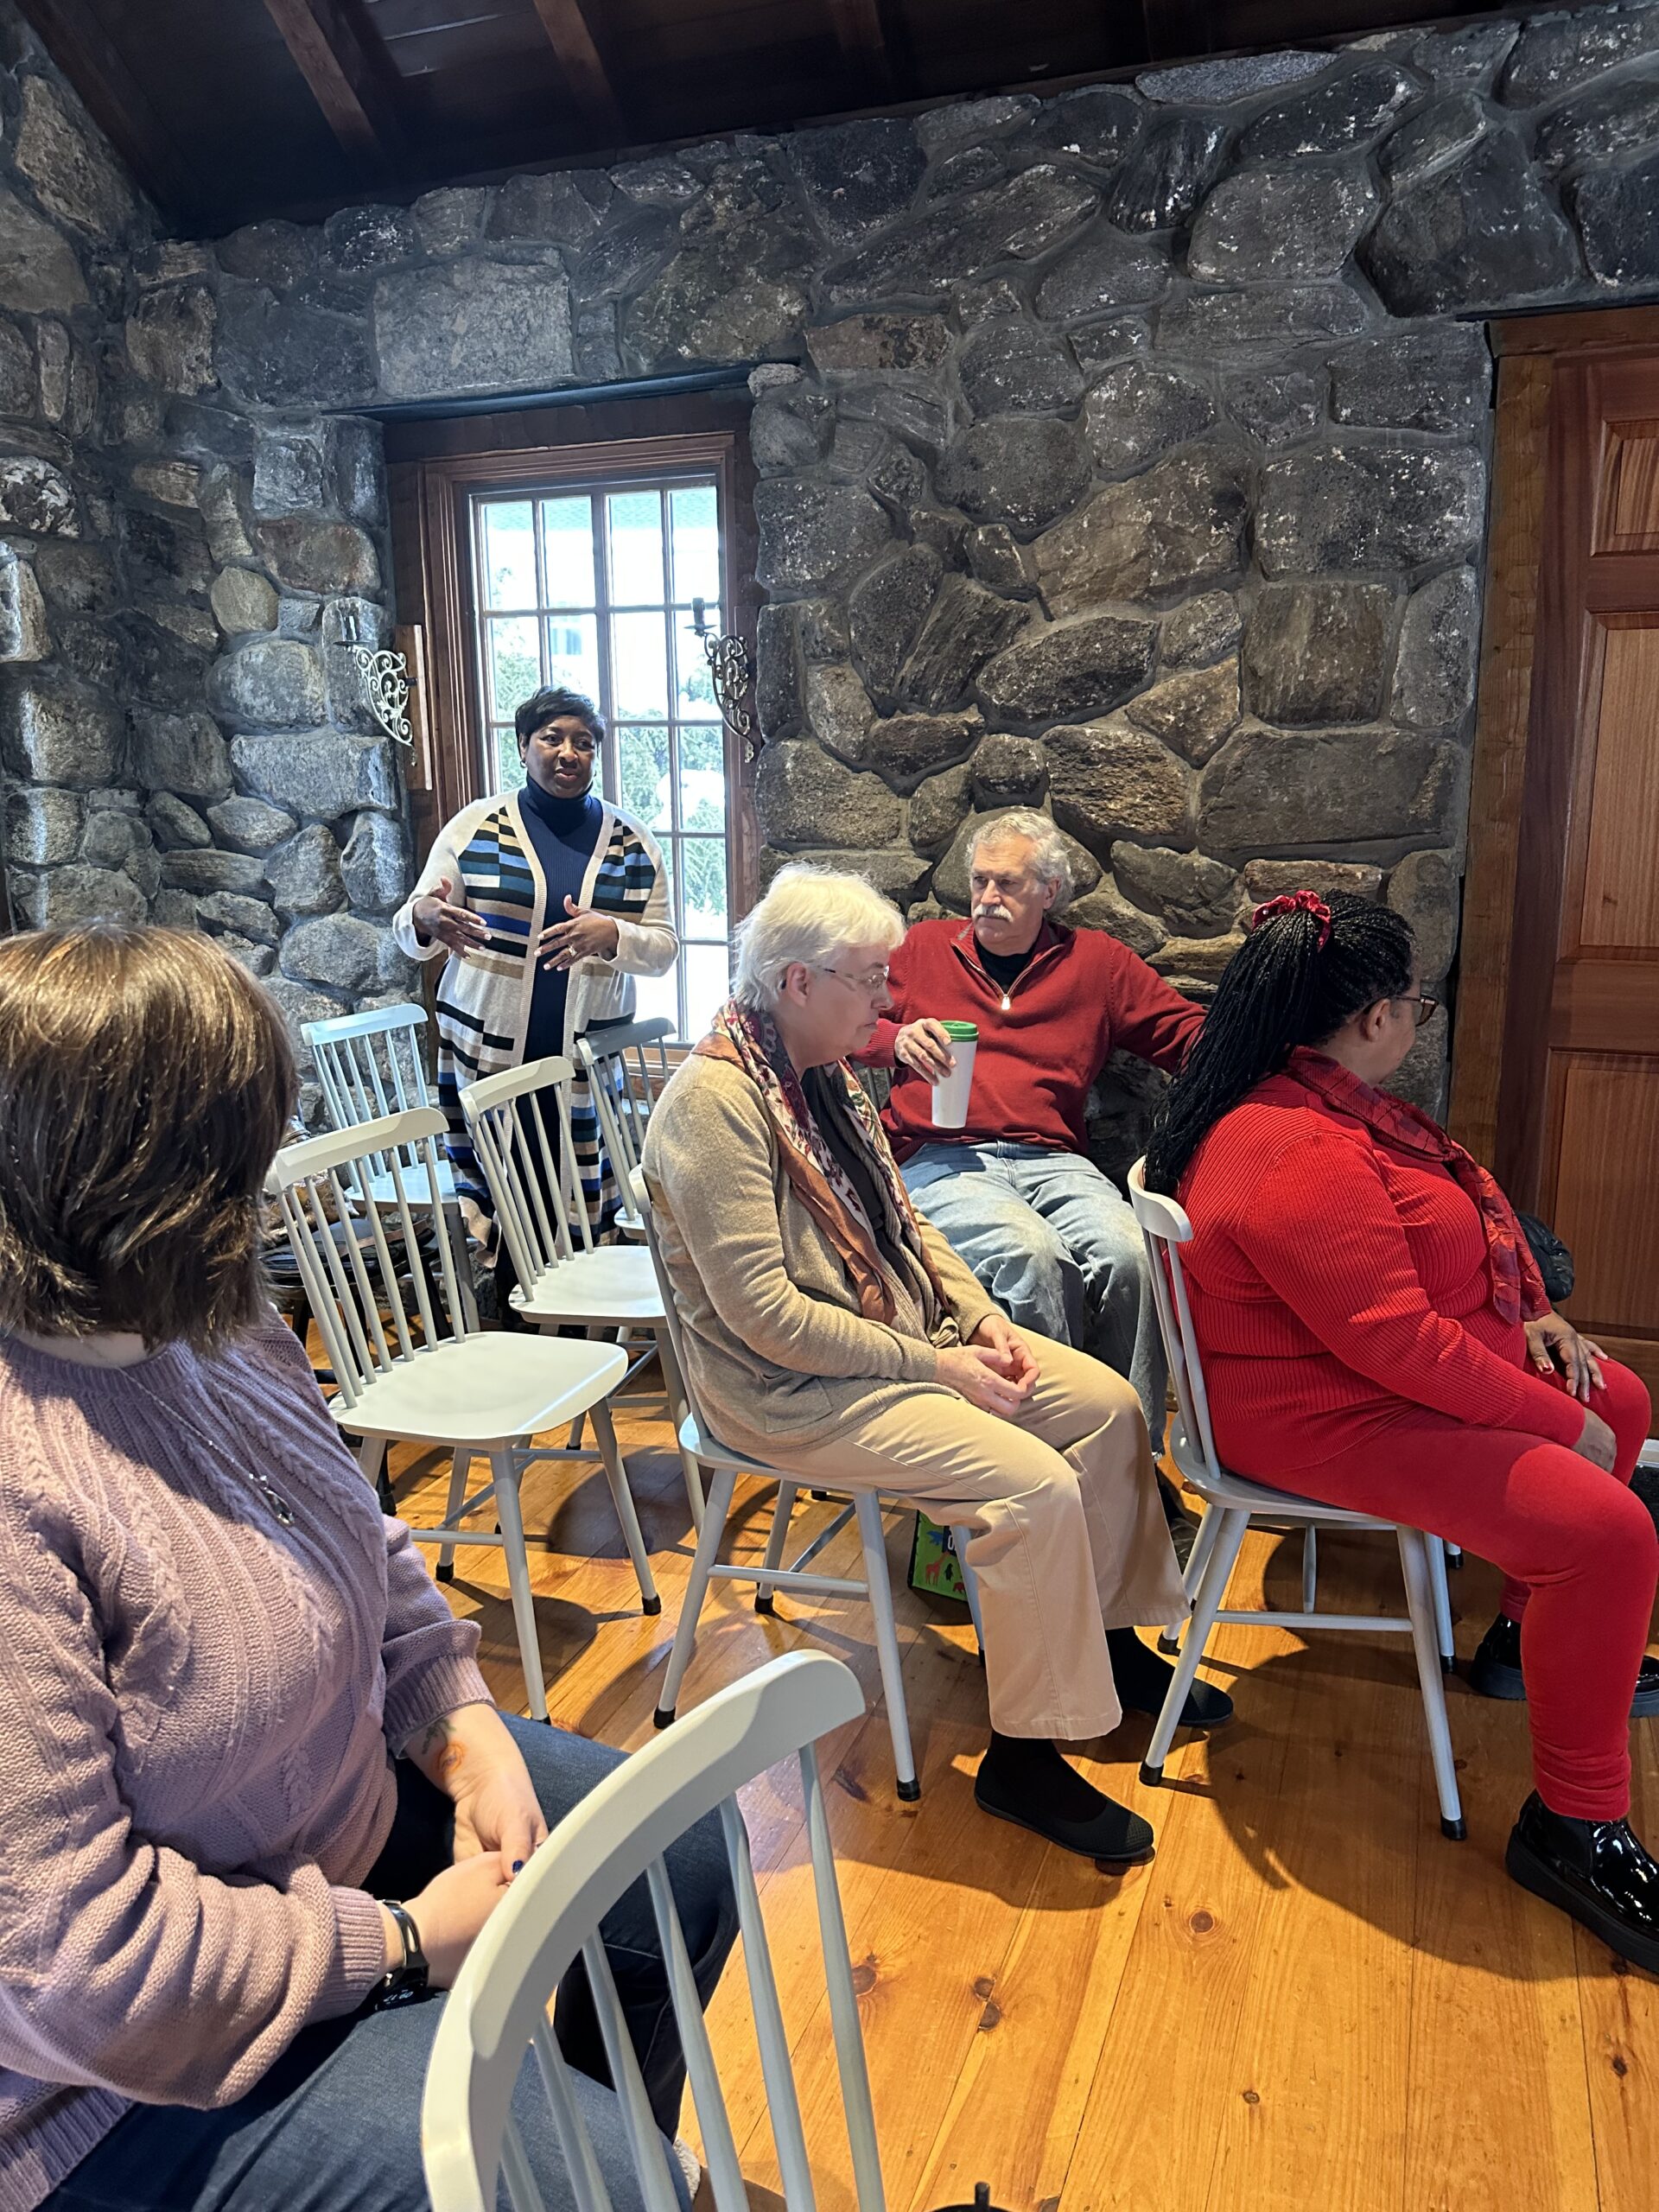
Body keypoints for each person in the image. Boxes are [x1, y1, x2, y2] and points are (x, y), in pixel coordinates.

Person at [0, 924, 734, 2212]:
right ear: (126, 1183)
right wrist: (398, 1947)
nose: (273, 1189)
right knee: (601, 2185)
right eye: (241, 1160)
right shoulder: (24, 1479)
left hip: (334, 1825)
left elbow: (362, 1535)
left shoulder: (212, 1317)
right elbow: (72, 1965)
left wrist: (463, 1727)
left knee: (684, 1855)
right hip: (114, 2078)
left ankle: (570, 2129)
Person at [643, 864, 1228, 1867]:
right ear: (797, 982)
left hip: (890, 1338)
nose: (886, 998)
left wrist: (982, 1318)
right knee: (1030, 1484)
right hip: (787, 1391)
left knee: (1108, 1406)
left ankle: (1112, 1638)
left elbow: (908, 1225)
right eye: (869, 978)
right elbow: (769, 1320)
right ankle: (1026, 1757)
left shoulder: (821, 1075)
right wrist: (936, 1365)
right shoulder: (714, 1104)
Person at [1142, 888, 1659, 1969]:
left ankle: (1522, 1640)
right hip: (1321, 1413)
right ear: (1375, 1016)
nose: (1417, 1020)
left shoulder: (1318, 1100)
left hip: (1356, 1375)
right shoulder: (1293, 1147)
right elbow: (1398, 1345)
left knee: (1619, 1402)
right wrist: (1545, 1417)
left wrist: (1531, 1314)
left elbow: (1422, 1269)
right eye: (1418, 1004)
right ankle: (1575, 1828)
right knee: (1609, 1529)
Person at [853, 807, 1204, 1541]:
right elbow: (836, 1015)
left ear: (1049, 890)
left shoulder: (1098, 964)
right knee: (1031, 1258)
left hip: (1053, 1158)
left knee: (1130, 1255)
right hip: (940, 1157)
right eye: (979, 881)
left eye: (1006, 884)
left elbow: (1185, 1036)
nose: (986, 898)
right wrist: (894, 1039)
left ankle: (1129, 1474)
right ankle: (1040, 1471)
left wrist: (1270, 1045)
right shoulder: (922, 950)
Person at [391, 685, 677, 1259]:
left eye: (584, 743)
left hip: (583, 1062)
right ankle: (505, 1306)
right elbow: (414, 922)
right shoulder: (474, 827)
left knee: (572, 1212)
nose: (569, 753)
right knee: (503, 1203)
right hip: (488, 1055)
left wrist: (613, 935)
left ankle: (572, 1310)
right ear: (524, 747)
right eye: (553, 738)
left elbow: (665, 949)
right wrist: (423, 917)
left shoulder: (631, 844)